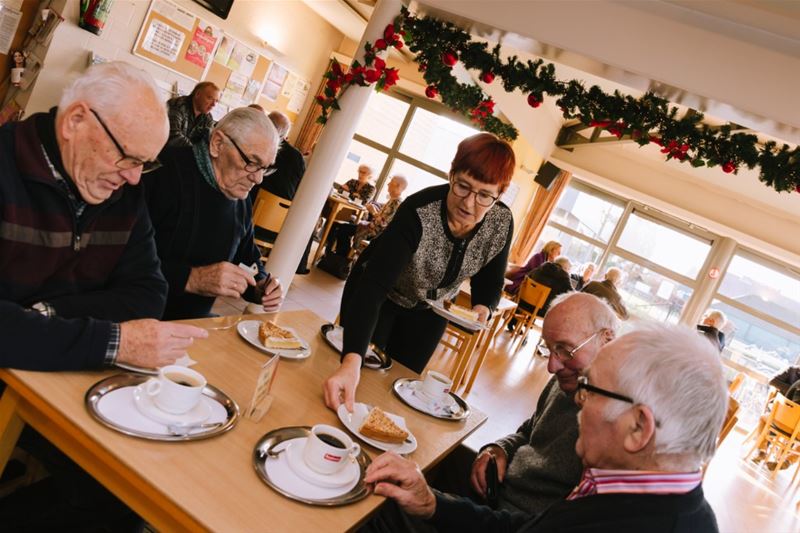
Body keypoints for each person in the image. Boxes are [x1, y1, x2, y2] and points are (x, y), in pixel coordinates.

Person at [365, 321, 726, 533]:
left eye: (590, 390)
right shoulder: (645, 499)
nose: (578, 402)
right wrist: (432, 505)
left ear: (638, 427)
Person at [0, 61, 208, 371]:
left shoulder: (123, 193)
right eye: (127, 157)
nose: (135, 177)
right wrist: (113, 342)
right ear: (76, 121)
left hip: (60, 380)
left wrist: (45, 314)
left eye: (145, 163)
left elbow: (148, 295)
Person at [324, 133, 515, 412]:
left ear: (499, 194)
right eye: (463, 186)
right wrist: (351, 361)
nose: (469, 203)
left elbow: (490, 278)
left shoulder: (500, 223)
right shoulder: (418, 210)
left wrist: (484, 306)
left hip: (431, 310)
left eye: (485, 195)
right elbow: (374, 286)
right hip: (380, 297)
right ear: (451, 175)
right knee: (356, 374)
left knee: (401, 389)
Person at [470, 293, 617, 514]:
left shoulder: (616, 420)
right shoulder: (563, 381)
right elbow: (530, 432)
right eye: (549, 348)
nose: (552, 366)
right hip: (498, 491)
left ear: (607, 339)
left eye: (567, 350)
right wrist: (498, 448)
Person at [143, 107, 283, 320]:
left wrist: (260, 284)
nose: (258, 179)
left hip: (193, 325)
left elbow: (246, 257)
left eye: (265, 167)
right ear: (217, 144)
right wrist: (190, 279)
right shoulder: (163, 171)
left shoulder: (239, 197)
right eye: (251, 163)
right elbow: (118, 258)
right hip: (139, 318)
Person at [327, 175, 408, 258]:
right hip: (370, 228)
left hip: (373, 233)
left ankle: (340, 258)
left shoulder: (395, 203)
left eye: (391, 182)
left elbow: (383, 223)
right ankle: (340, 256)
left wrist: (373, 211)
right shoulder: (393, 200)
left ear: (398, 186)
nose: (388, 184)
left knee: (342, 229)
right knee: (342, 227)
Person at [248, 110, 305, 204]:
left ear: (267, 125)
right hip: (281, 212)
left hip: (255, 204)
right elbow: (300, 187)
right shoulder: (298, 156)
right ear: (286, 134)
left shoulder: (262, 147)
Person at [166, 81, 220, 147]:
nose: (213, 104)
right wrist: (196, 152)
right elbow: (173, 136)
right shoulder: (177, 105)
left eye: (216, 101)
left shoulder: (207, 118)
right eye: (210, 98)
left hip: (183, 155)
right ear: (197, 94)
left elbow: (208, 143)